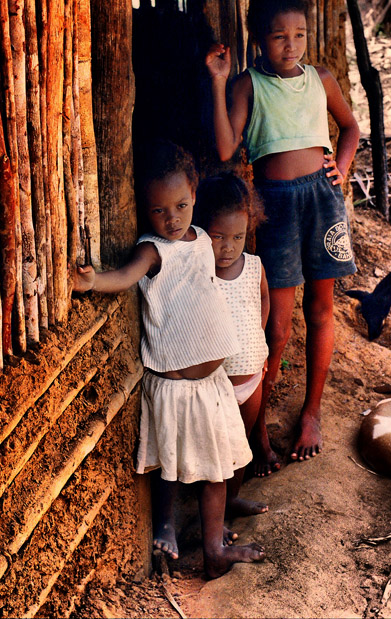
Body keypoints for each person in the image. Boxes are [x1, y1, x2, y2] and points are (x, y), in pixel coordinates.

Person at [72, 141, 265, 579]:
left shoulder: (203, 239)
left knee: (216, 471)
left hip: (213, 382)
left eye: (180, 205)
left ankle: (214, 548)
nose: (172, 218)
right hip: (175, 386)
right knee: (171, 467)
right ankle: (165, 525)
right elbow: (124, 277)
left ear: (195, 194)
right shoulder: (153, 250)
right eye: (159, 211)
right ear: (145, 210)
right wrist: (92, 281)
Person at [205, 0, 360, 476]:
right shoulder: (248, 85)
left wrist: (343, 166)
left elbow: (350, 127)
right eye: (278, 37)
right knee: (276, 324)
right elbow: (228, 148)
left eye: (298, 35)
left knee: (321, 309)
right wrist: (218, 80)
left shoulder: (321, 78)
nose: (290, 45)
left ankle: (311, 413)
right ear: (258, 40)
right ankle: (259, 430)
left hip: (322, 198)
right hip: (276, 207)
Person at [195, 172, 270, 517]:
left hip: (252, 377)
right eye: (217, 237)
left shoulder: (254, 266)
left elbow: (263, 301)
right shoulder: (200, 272)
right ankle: (212, 514)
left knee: (242, 445)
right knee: (217, 449)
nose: (228, 247)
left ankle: (233, 499)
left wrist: (259, 341)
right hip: (216, 384)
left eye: (238, 236)